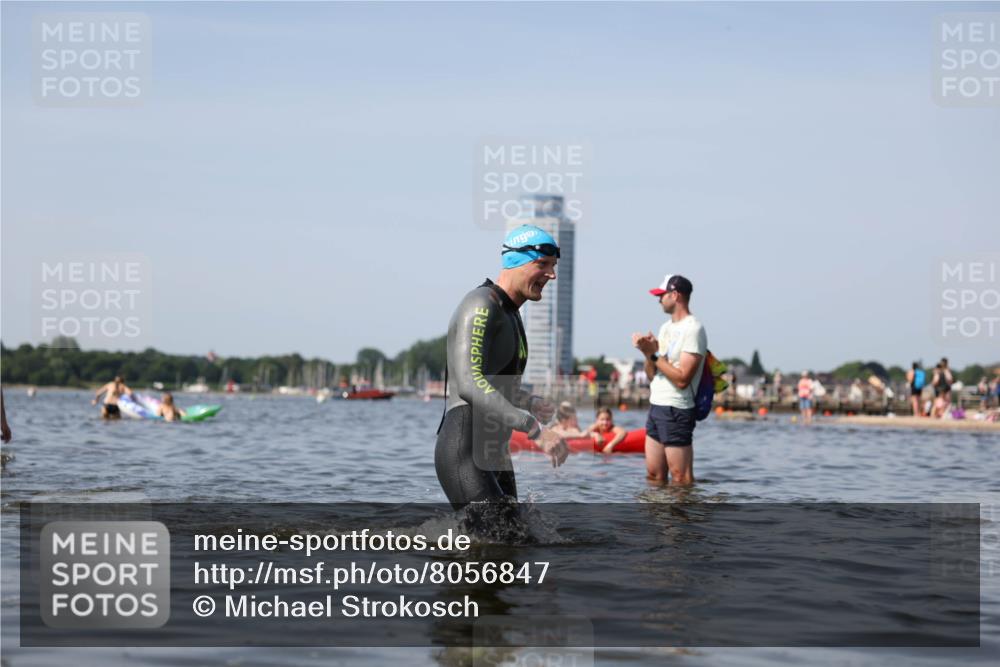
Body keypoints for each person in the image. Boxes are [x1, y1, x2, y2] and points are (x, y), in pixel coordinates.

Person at [435, 225, 569, 511]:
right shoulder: (482, 305)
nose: (552, 275)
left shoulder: (511, 313)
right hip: (465, 450)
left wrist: (529, 401)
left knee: (515, 544)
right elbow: (469, 383)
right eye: (542, 264)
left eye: (553, 266)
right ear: (515, 261)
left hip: (495, 453)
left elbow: (496, 386)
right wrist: (534, 429)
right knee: (492, 543)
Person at [632, 274, 706, 486]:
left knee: (681, 478)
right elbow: (652, 374)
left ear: (675, 295)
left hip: (677, 408)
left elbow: (683, 379)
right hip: (657, 406)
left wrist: (654, 355)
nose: (659, 300)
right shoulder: (666, 328)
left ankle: (682, 518)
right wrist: (648, 354)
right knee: (654, 476)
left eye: (662, 295)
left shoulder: (693, 328)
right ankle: (658, 518)